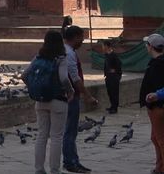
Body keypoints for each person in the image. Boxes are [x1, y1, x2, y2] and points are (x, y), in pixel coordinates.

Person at [22, 30, 74, 174]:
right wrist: (70, 91)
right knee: (57, 136)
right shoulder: (61, 57)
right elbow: (64, 78)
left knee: (42, 134)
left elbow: (24, 75)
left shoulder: (39, 56)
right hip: (58, 100)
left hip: (40, 100)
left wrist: (35, 87)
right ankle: (54, 170)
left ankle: (39, 169)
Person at [62, 25, 98, 174]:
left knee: (70, 131)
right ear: (75, 37)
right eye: (81, 37)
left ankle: (73, 160)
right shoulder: (69, 53)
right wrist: (87, 95)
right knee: (70, 131)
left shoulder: (65, 51)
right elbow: (75, 78)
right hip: (70, 97)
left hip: (65, 96)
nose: (82, 41)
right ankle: (70, 162)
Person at [141, 34, 164, 174]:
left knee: (161, 140)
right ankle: (159, 167)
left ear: (150, 46)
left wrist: (156, 95)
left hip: (159, 107)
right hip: (154, 106)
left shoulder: (158, 64)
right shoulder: (155, 62)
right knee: (155, 138)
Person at [102, 40, 122, 114]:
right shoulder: (107, 55)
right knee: (110, 92)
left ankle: (115, 107)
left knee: (114, 92)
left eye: (103, 46)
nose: (102, 47)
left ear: (107, 46)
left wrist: (115, 71)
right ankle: (112, 106)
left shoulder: (113, 55)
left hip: (114, 77)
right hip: (108, 76)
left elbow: (119, 64)